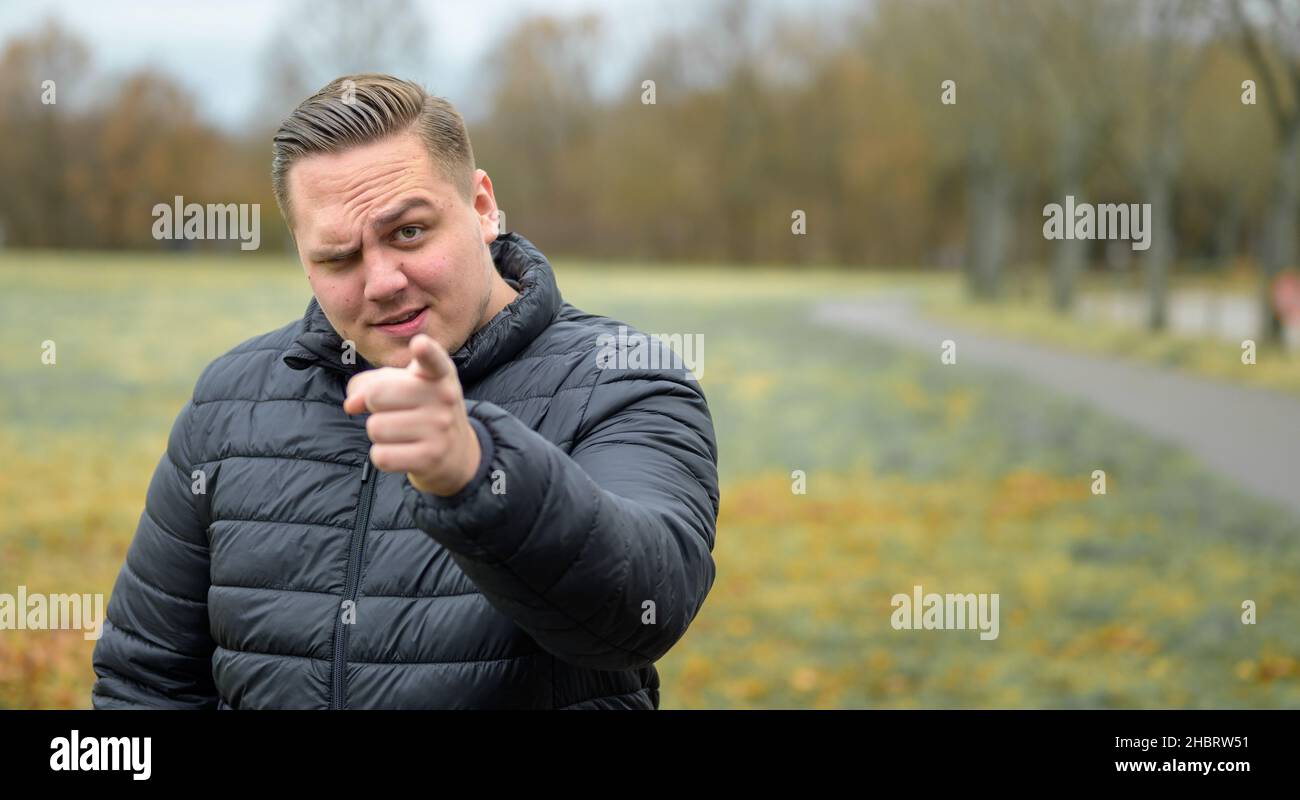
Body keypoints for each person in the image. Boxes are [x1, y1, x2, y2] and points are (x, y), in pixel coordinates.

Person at [90, 74, 719, 709]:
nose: (383, 282)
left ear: (481, 207)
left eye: (409, 233)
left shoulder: (620, 380)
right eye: (339, 257)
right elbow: (144, 683)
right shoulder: (230, 400)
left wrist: (479, 474)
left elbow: (644, 613)